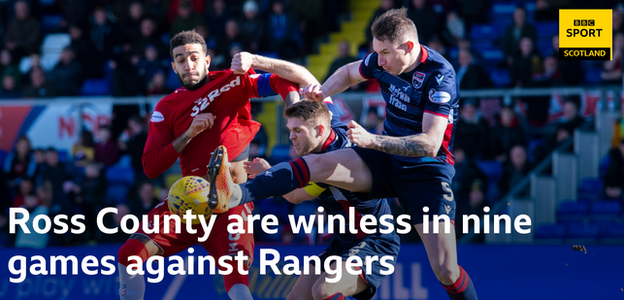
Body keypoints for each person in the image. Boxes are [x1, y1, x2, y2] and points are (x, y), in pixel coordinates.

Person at [212, 9, 478, 300]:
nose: (380, 60)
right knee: (316, 166)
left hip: (423, 171)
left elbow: (429, 144)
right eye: (376, 52)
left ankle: (238, 194)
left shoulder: (440, 75)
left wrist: (373, 140)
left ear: (409, 47)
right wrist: (322, 90)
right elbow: (347, 72)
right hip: (378, 173)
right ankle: (237, 195)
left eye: (386, 53)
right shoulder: (374, 68)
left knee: (446, 270)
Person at [117, 30, 318, 300]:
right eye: (180, 59)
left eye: (193, 57)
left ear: (207, 61)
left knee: (237, 282)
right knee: (128, 255)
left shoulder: (233, 81)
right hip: (187, 201)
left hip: (231, 200)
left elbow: (284, 81)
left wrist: (294, 111)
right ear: (173, 66)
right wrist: (188, 133)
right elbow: (151, 167)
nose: (188, 65)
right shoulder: (166, 107)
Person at [242, 100, 400, 300]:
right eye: (290, 130)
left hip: (375, 241)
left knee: (324, 291)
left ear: (319, 130)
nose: (291, 137)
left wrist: (267, 171)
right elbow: (314, 86)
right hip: (345, 241)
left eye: (298, 131)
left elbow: (295, 196)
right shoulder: (331, 130)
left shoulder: (331, 164)